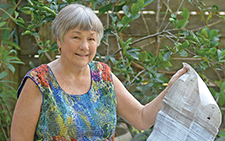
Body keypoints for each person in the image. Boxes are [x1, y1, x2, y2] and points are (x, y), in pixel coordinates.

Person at [11, 3, 187, 141]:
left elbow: (141, 118)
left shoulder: (103, 76)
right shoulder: (39, 82)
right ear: (59, 40)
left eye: (91, 38)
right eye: (76, 37)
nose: (84, 46)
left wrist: (170, 89)